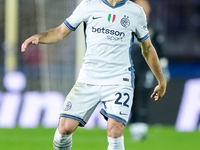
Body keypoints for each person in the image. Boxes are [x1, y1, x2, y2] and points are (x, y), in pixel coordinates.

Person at [21, 0, 167, 149]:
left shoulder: (135, 12)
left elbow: (147, 48)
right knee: (64, 129)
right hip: (88, 78)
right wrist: (39, 37)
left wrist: (161, 80)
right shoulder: (88, 6)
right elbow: (60, 32)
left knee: (115, 130)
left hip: (119, 80)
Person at [129, 0, 170, 141]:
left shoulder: (154, 26)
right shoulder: (128, 23)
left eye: (145, 6)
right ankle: (134, 126)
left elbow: (161, 48)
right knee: (132, 96)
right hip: (129, 68)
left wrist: (164, 68)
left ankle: (141, 126)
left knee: (144, 95)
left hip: (147, 68)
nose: (144, 8)